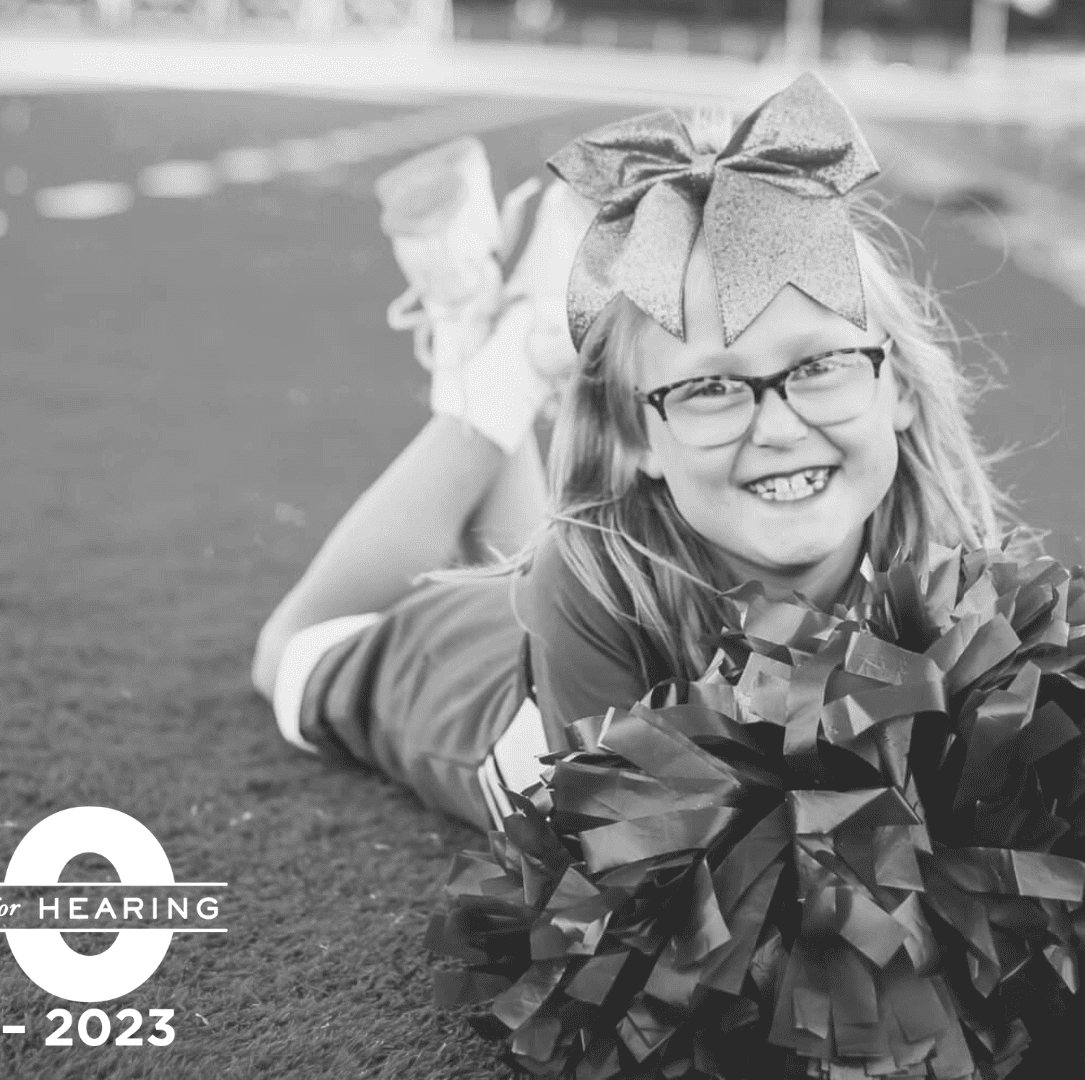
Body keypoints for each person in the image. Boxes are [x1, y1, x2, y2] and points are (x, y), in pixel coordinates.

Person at [250, 75, 1009, 833]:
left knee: (538, 558)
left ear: (900, 387)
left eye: (819, 367)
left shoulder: (947, 572)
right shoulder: (583, 587)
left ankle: (483, 326)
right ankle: (503, 360)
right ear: (638, 434)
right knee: (286, 650)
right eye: (712, 386)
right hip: (444, 674)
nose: (779, 428)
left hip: (575, 605)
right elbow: (656, 862)